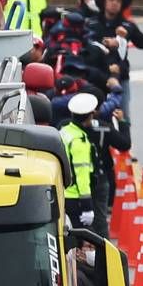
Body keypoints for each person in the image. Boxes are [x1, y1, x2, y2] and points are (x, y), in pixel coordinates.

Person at [87, 0, 143, 121]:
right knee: (92, 112)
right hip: (96, 74)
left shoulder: (127, 25)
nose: (114, 3)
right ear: (104, 2)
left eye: (118, 1)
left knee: (123, 114)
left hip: (120, 75)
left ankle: (125, 140)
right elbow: (85, 44)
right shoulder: (91, 23)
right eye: (111, 0)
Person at [61, 91, 99, 231]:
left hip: (63, 193)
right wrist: (87, 206)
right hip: (76, 199)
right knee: (86, 243)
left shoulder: (65, 131)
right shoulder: (79, 141)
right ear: (89, 116)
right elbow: (82, 173)